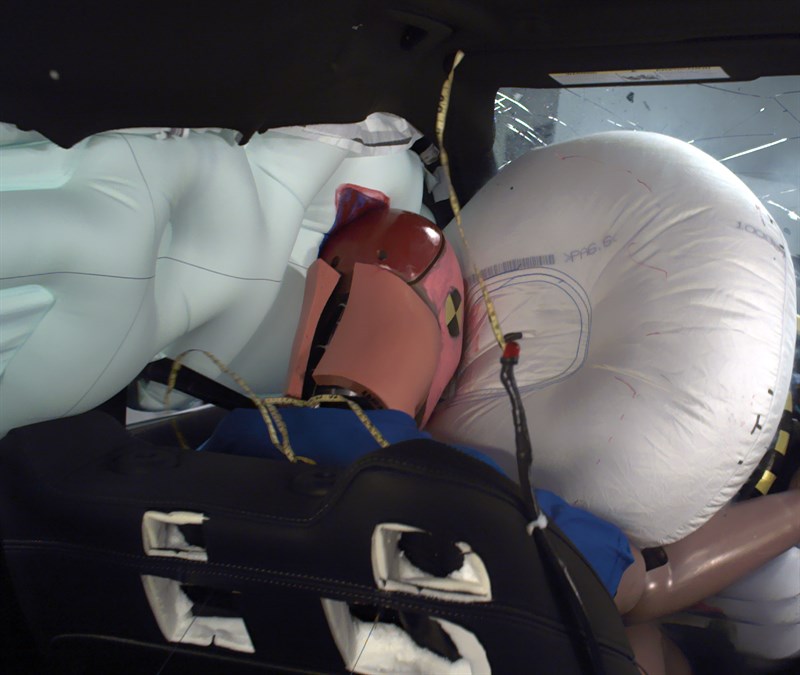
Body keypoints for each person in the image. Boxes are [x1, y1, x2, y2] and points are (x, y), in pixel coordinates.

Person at [201, 186, 800, 673]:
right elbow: (635, 586)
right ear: (446, 329)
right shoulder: (463, 483)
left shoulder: (221, 443)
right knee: (640, 635)